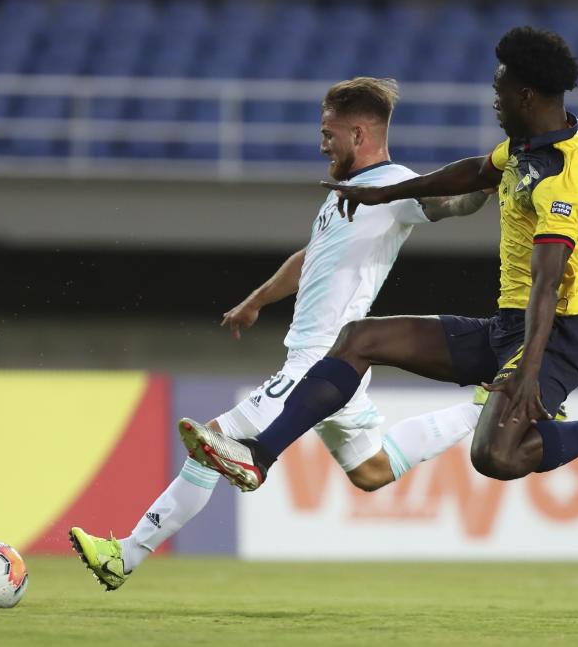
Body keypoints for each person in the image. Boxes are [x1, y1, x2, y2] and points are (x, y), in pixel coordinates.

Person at [180, 26, 578, 493]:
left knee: (495, 456)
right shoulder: (524, 148)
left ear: (527, 96)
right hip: (507, 326)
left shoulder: (564, 178)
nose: (495, 100)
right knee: (358, 339)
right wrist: (384, 193)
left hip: (552, 337)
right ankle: (258, 457)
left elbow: (547, 282)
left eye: (501, 90)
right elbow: (471, 172)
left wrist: (528, 372)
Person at [69, 77, 494, 590]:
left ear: (359, 134)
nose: (322, 145)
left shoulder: (396, 187)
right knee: (372, 470)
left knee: (217, 441)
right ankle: (482, 407)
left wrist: (489, 183)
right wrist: (257, 300)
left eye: (328, 133)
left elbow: (451, 205)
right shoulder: (344, 197)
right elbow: (309, 259)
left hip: (322, 362)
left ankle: (124, 556)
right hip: (342, 368)